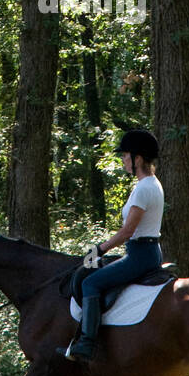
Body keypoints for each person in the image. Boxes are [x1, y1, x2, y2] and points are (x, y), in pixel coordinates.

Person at [59, 128, 164, 363]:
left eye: (126, 155)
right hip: (147, 251)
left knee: (91, 283)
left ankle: (86, 343)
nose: (123, 160)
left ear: (138, 158)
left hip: (140, 255)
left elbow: (128, 231)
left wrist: (100, 249)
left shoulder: (144, 189)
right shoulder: (151, 184)